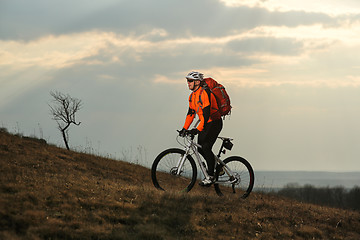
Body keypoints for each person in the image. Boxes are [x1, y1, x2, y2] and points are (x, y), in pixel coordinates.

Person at [179, 71, 223, 186]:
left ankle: (211, 176)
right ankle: (217, 167)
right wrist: (184, 128)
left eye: (190, 81)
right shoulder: (192, 96)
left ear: (197, 82)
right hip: (206, 123)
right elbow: (190, 114)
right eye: (187, 81)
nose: (187, 83)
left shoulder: (204, 93)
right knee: (200, 149)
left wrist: (198, 129)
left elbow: (206, 114)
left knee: (206, 147)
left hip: (214, 122)